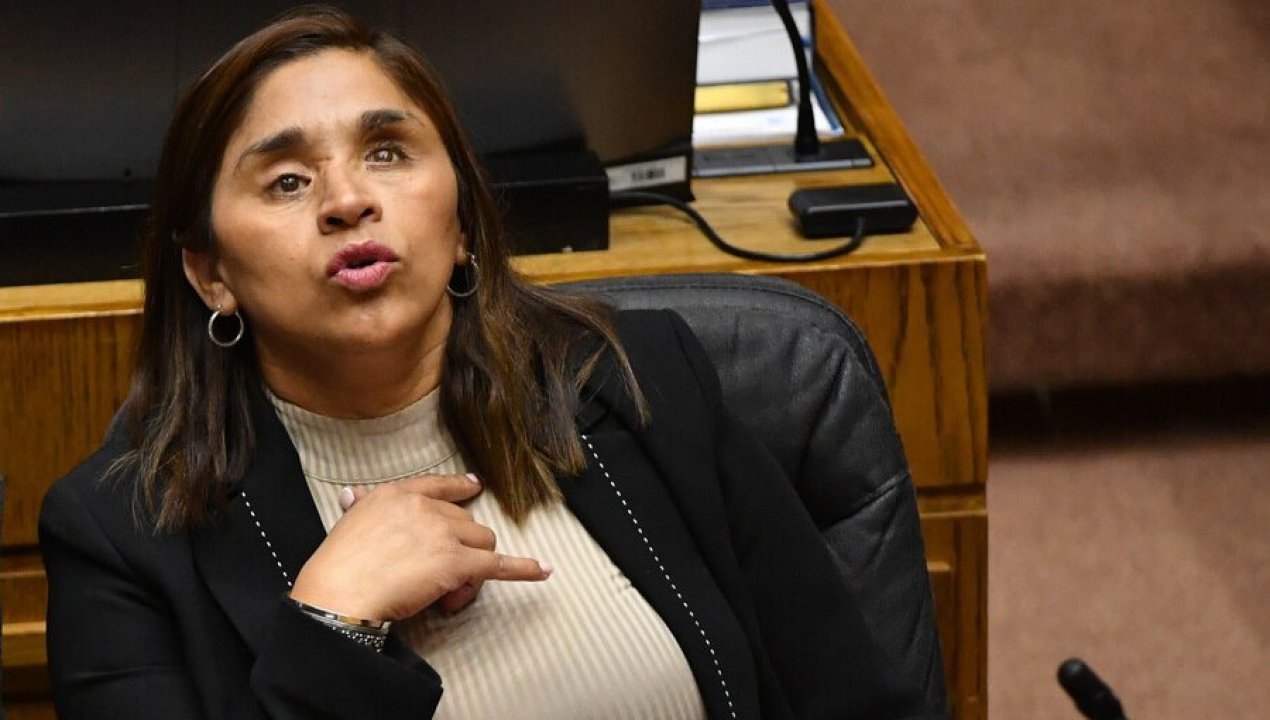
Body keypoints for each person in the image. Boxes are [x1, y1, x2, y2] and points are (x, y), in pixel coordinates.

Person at [39, 6, 939, 719]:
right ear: (211, 274)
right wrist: (332, 624)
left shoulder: (641, 383)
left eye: (386, 153)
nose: (348, 200)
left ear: (463, 221)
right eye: (287, 181)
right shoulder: (122, 538)